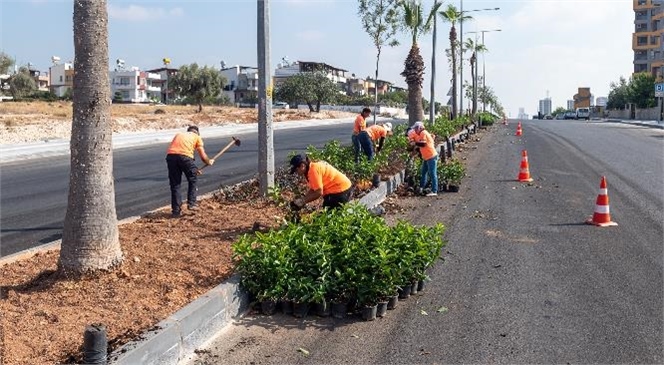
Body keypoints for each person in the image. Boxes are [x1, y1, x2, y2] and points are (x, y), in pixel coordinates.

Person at [166, 126, 214, 217]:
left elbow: (178, 152)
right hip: (185, 157)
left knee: (175, 184)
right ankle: (192, 204)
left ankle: (176, 211)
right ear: (197, 133)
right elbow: (203, 157)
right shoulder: (197, 137)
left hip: (171, 157)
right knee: (193, 179)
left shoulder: (179, 134)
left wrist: (194, 170)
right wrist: (209, 161)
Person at [410, 121, 438, 197]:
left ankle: (434, 190)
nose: (415, 130)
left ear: (420, 128)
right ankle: (422, 187)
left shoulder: (423, 133)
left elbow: (423, 144)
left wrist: (415, 143)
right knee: (423, 172)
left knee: (432, 173)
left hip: (431, 156)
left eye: (416, 128)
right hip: (426, 157)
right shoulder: (422, 134)